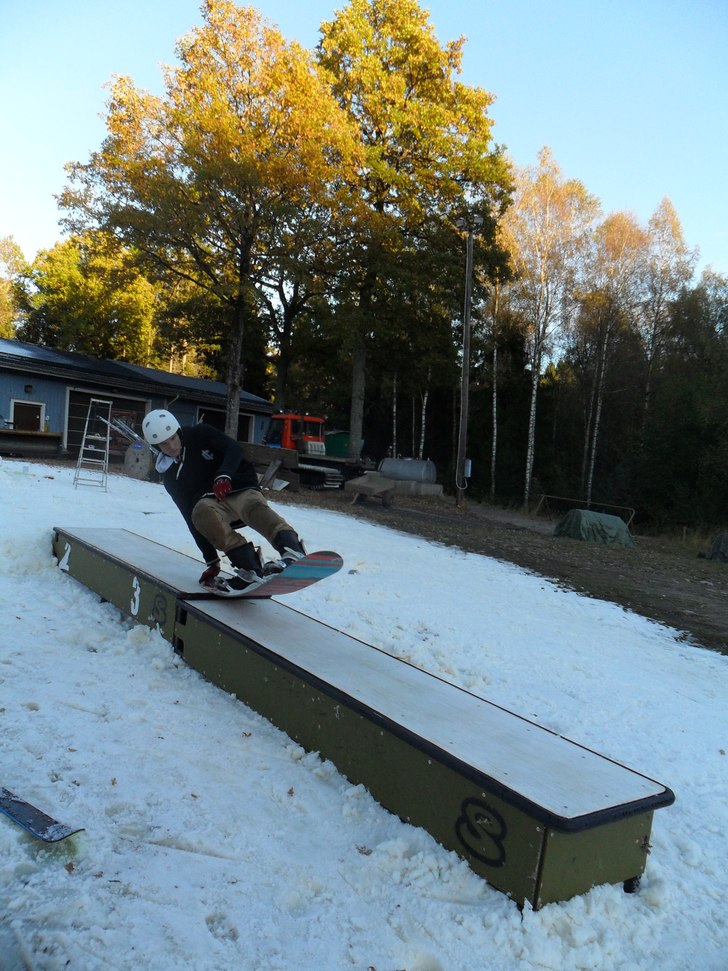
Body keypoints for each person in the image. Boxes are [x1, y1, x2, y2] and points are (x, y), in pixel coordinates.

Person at [142, 409, 306, 593]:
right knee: (199, 512)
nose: (171, 446)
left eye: (173, 438)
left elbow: (233, 449)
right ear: (156, 447)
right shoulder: (171, 478)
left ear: (178, 431)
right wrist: (211, 561)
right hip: (214, 507)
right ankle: (249, 567)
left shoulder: (200, 434)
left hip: (239, 486)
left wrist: (224, 474)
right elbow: (189, 516)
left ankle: (292, 550)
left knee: (250, 505)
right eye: (164, 444)